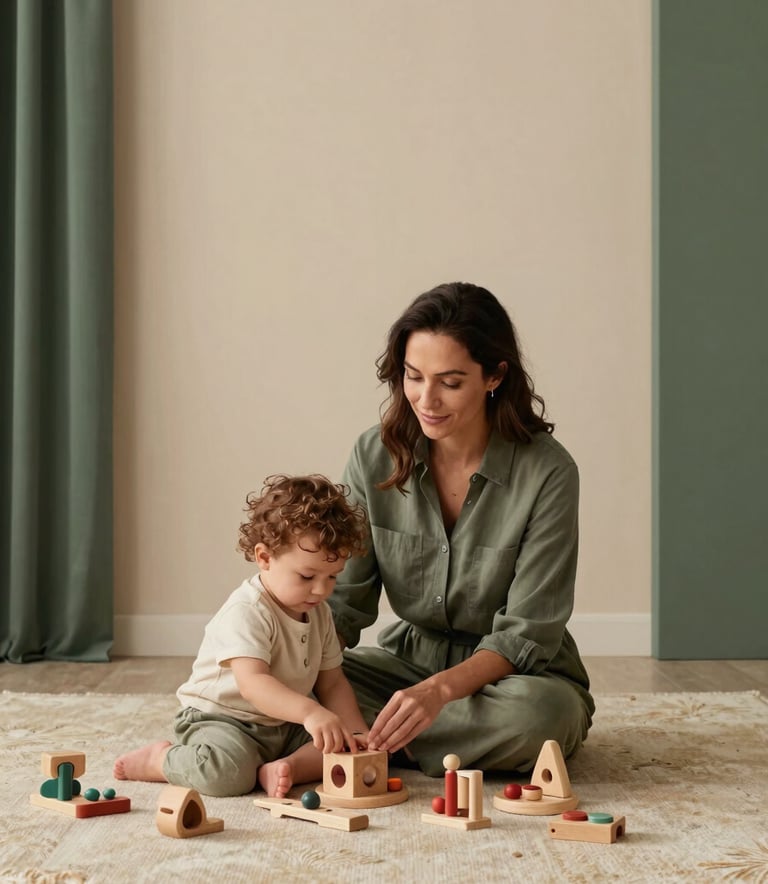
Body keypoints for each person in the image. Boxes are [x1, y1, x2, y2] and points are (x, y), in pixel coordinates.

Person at [327, 282, 595, 778]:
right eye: (413, 377)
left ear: (494, 376)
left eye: (450, 382)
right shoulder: (372, 457)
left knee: (542, 719)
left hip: (514, 680)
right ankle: (402, 737)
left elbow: (528, 631)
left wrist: (440, 692)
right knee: (299, 688)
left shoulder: (549, 473)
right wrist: (273, 666)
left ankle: (368, 739)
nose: (426, 400)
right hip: (404, 667)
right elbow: (341, 599)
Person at [113, 474, 370, 797]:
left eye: (332, 577)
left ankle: (280, 767)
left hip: (283, 724)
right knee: (228, 775)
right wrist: (310, 712)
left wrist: (357, 732)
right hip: (223, 720)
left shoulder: (319, 612)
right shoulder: (248, 610)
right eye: (307, 576)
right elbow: (253, 685)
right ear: (264, 558)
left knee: (340, 748)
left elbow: (331, 682)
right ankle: (160, 759)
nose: (321, 590)